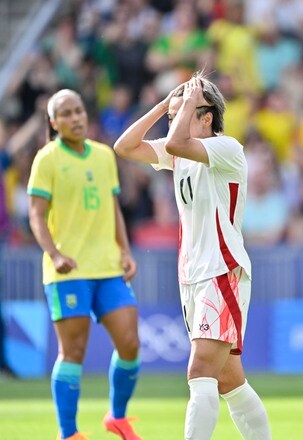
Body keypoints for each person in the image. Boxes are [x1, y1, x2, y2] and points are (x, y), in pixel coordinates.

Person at [114, 75, 271, 440]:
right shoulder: (179, 152)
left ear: (207, 117)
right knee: (229, 380)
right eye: (174, 115)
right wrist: (165, 103)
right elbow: (124, 146)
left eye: (185, 113)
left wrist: (183, 103)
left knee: (199, 370)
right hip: (192, 276)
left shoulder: (227, 149)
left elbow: (174, 141)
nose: (176, 120)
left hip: (221, 271)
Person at [27, 89, 141, 440]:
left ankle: (117, 418)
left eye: (79, 110)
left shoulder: (105, 156)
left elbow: (113, 209)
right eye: (66, 113)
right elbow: (36, 215)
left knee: (131, 343)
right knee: (72, 352)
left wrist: (125, 250)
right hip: (69, 271)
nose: (75, 118)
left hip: (107, 267)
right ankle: (69, 432)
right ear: (53, 122)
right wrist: (55, 255)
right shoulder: (47, 160)